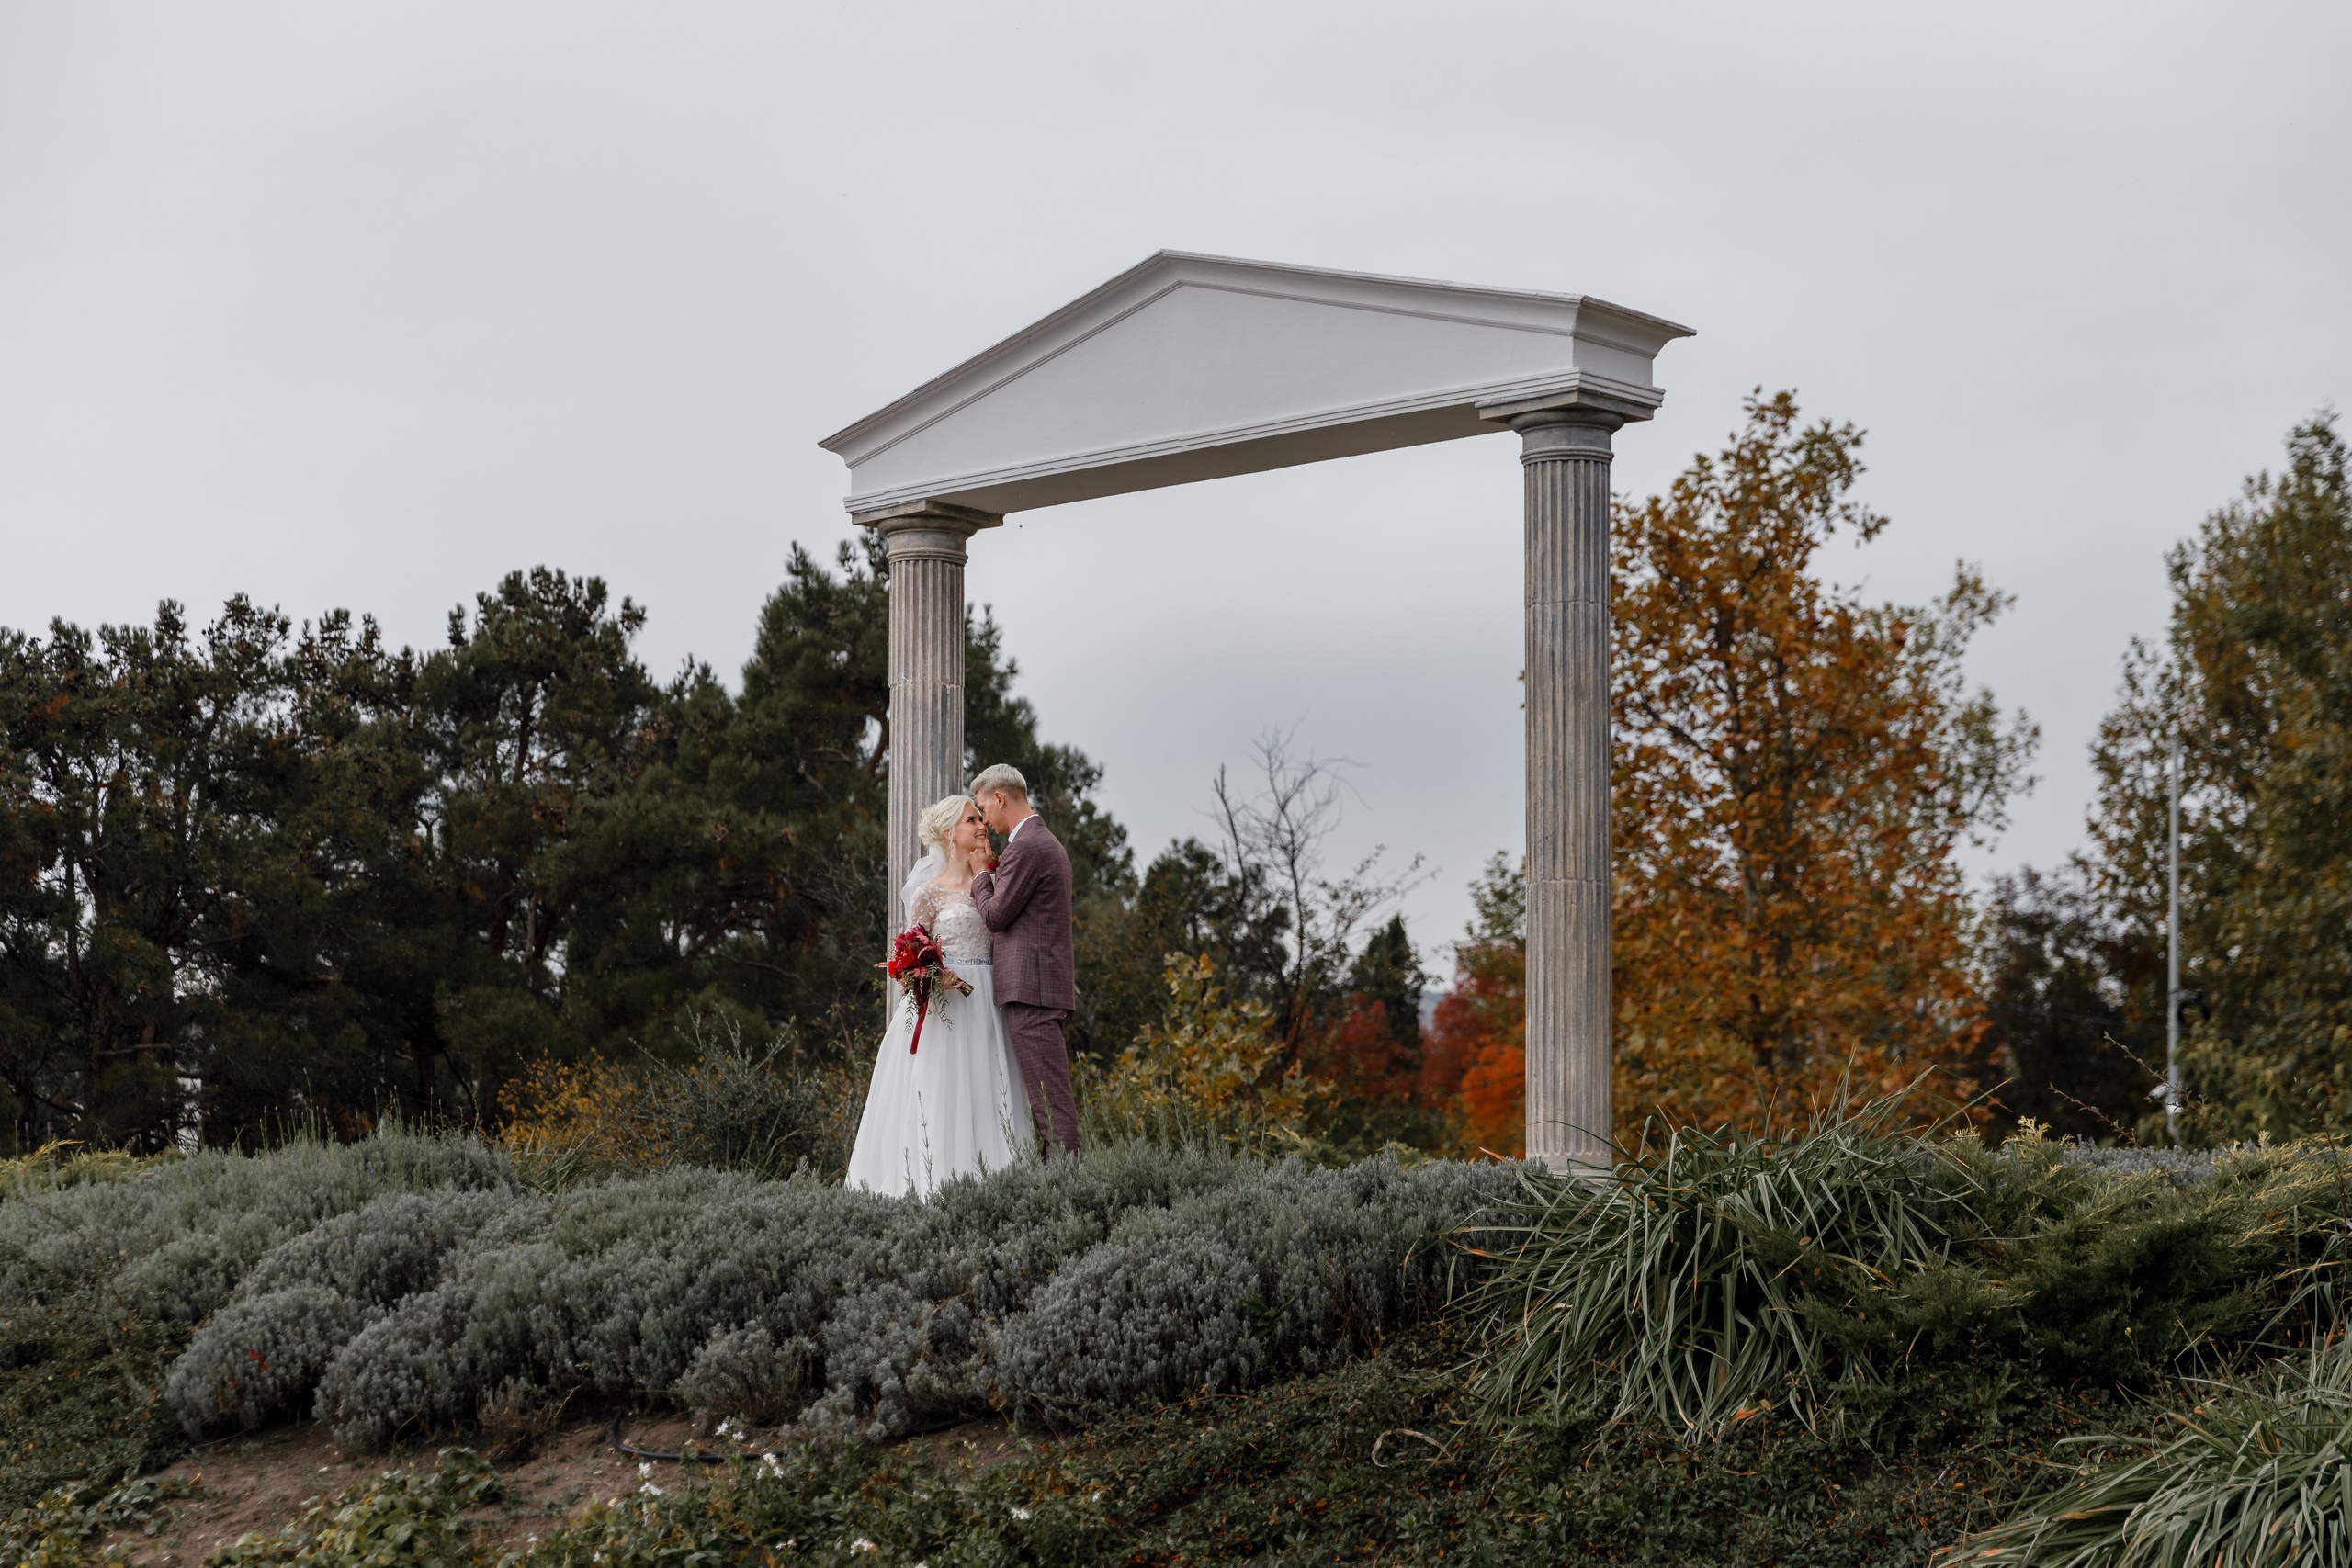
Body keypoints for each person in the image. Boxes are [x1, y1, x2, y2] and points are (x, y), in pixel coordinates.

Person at [844, 794, 1033, 1197]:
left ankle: (997, 1185)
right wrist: (930, 975)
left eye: (982, 818)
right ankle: (936, 1180)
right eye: (971, 820)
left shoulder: (997, 882)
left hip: (990, 1001)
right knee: (939, 1089)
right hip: (946, 1007)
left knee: (989, 1089)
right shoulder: (927, 894)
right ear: (950, 834)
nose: (982, 825)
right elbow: (906, 959)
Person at [968, 763, 1081, 1156]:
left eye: (983, 808)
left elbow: (996, 915)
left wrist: (982, 874)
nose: (984, 820)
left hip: (1032, 992)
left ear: (1000, 798)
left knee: (1050, 1104)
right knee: (1047, 1101)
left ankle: (1068, 1191)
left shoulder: (1027, 846)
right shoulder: (1039, 841)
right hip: (1040, 989)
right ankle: (1063, 1186)